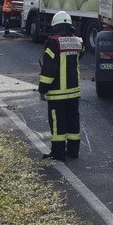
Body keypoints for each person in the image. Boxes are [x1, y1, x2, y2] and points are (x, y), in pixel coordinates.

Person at [38, 11, 84, 161]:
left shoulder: (53, 44)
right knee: (73, 121)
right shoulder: (78, 42)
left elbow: (48, 71)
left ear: (55, 25)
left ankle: (58, 153)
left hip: (57, 93)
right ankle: (73, 151)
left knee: (58, 123)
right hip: (74, 92)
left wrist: (42, 90)